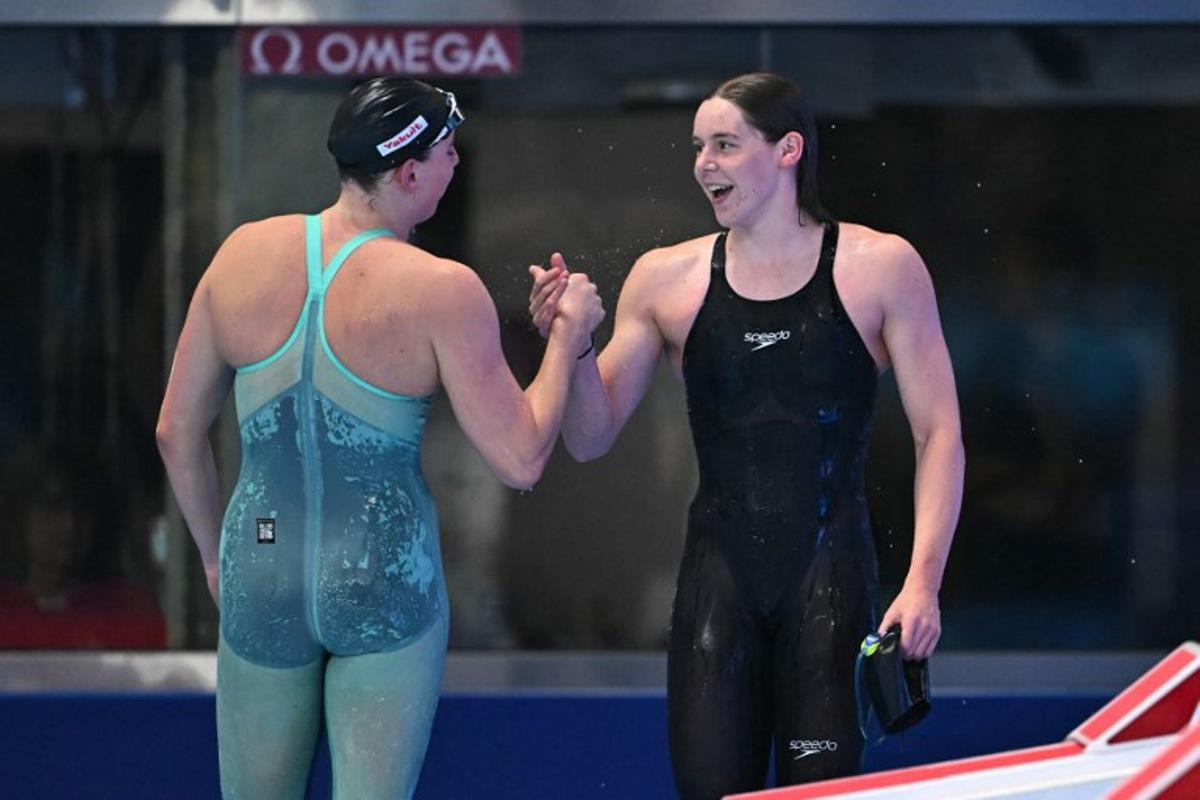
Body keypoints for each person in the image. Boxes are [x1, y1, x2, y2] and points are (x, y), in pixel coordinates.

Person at [157, 77, 603, 800]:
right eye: (449, 151)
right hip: (382, 583)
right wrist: (569, 337)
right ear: (409, 172)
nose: (458, 165)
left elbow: (175, 430)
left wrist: (215, 559)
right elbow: (520, 457)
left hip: (258, 573)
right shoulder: (441, 289)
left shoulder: (240, 254)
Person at [529, 72, 964, 797]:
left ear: (788, 149)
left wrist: (924, 583)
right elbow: (589, 436)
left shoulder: (880, 267)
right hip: (717, 585)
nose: (704, 163)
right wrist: (572, 342)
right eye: (699, 146)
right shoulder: (664, 279)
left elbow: (939, 433)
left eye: (726, 145)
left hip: (831, 584)